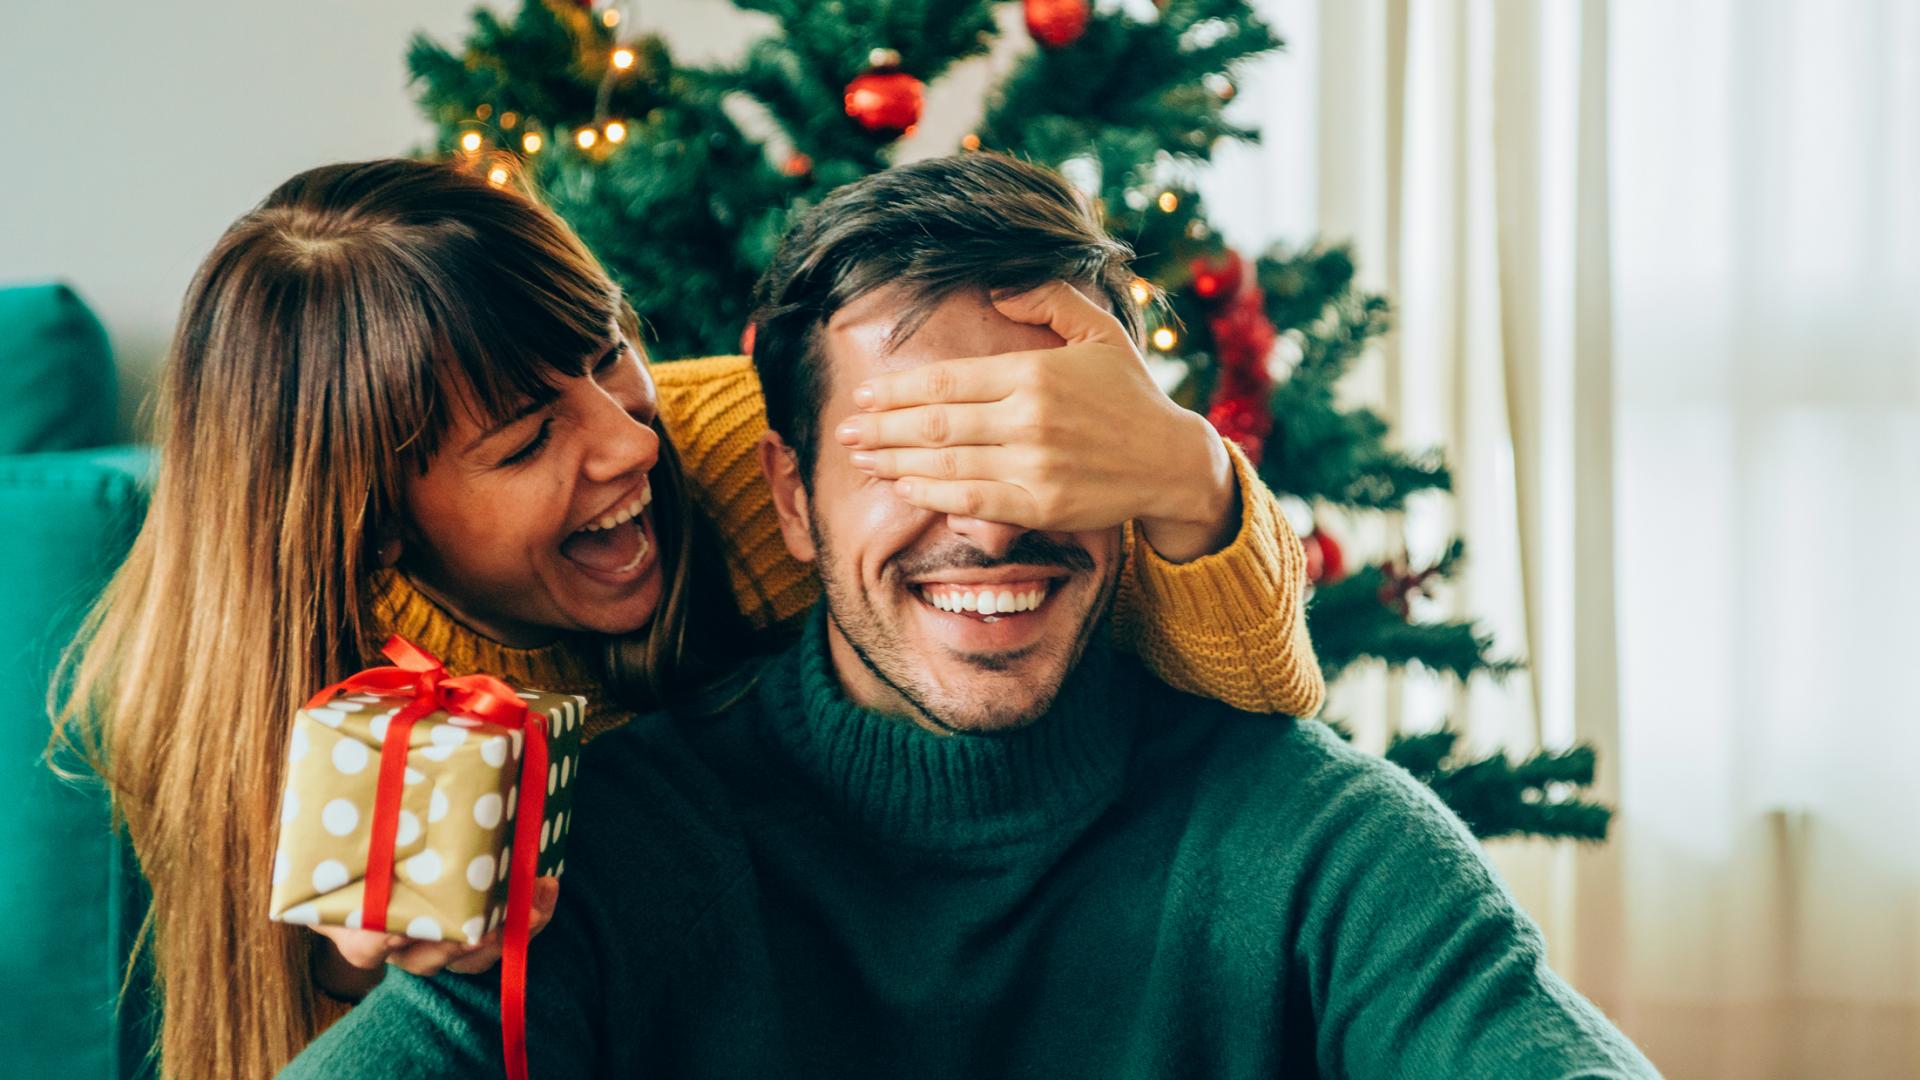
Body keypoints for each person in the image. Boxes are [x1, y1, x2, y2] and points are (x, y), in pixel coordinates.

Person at [277, 154, 1662, 1079]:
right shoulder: (610, 852)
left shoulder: (1320, 846)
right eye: (907, 454)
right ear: (792, 497)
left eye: (1039, 446)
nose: (988, 520)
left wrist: (1190, 470)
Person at [53, 156, 1323, 1079]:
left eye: (606, 353)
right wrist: (345, 969)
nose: (624, 440)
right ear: (379, 525)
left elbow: (1253, 703)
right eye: (526, 439)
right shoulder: (277, 712)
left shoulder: (755, 458)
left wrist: (1186, 473)